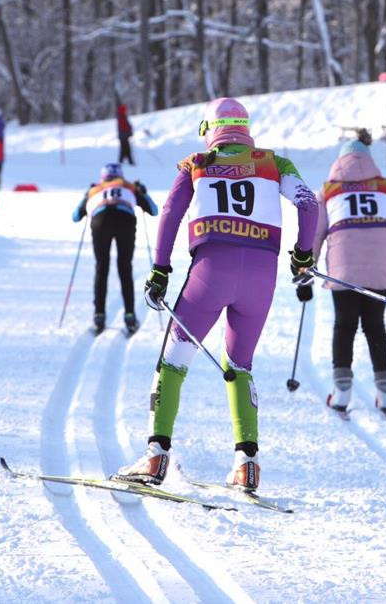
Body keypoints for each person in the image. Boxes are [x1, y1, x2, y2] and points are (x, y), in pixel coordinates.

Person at [114, 97, 318, 492]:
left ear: (209, 130)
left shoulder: (196, 164)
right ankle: (247, 463)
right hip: (261, 277)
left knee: (174, 358)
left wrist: (160, 269)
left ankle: (156, 455)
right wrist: (303, 254)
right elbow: (309, 205)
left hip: (211, 270)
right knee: (240, 364)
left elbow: (172, 210)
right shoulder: (275, 164)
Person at [311, 140, 386, 416]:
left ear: (339, 162)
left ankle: (341, 391)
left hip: (344, 269)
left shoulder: (329, 190)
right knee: (375, 325)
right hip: (382, 268)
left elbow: (314, 235)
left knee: (344, 326)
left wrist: (305, 271)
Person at [72, 163, 159, 335]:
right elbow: (154, 210)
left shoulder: (95, 189)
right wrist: (142, 192)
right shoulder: (129, 186)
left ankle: (99, 315)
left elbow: (75, 217)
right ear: (120, 175)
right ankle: (130, 316)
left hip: (100, 220)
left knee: (101, 268)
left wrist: (86, 196)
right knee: (125, 268)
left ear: (103, 177)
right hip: (125, 219)